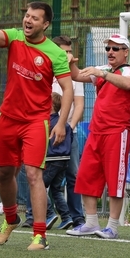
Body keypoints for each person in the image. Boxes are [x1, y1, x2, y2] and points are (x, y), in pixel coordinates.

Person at [0, 0, 73, 251]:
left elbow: (67, 89)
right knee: (4, 173)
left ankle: (40, 235)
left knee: (34, 175)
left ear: (46, 24)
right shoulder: (14, 37)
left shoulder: (55, 52)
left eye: (34, 17)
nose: (28, 20)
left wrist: (61, 123)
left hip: (35, 122)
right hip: (7, 119)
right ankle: (10, 219)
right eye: (27, 15)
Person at [65, 33, 130, 239]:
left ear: (126, 52)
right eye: (108, 48)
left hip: (117, 132)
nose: (110, 52)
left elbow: (127, 83)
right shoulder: (104, 69)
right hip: (96, 131)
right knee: (86, 175)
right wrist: (71, 64)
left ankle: (113, 226)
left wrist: (102, 74)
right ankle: (90, 222)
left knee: (115, 179)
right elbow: (77, 76)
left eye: (116, 49)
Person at [48, 35, 85, 229]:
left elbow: (79, 105)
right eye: (65, 52)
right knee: (39, 175)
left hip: (70, 132)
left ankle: (76, 217)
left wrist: (68, 127)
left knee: (73, 175)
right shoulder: (45, 71)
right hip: (44, 132)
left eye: (70, 51)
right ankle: (35, 216)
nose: (69, 55)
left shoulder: (73, 74)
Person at [22, 92, 74, 228]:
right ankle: (66, 216)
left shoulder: (47, 123)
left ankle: (49, 213)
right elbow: (71, 141)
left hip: (51, 159)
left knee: (38, 186)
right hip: (64, 160)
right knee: (56, 190)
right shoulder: (65, 125)